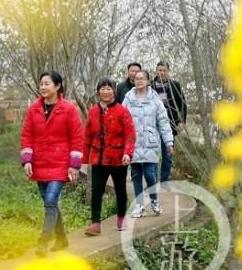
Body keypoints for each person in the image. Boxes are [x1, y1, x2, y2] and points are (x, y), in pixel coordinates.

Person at [20, 71, 83, 256]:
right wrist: (27, 160)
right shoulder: (34, 109)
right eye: (41, 84)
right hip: (39, 163)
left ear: (57, 86)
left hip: (60, 163)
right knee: (51, 204)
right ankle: (62, 239)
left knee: (50, 201)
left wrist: (74, 165)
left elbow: (77, 138)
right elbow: (27, 135)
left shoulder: (69, 109)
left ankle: (43, 242)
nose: (43, 87)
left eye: (47, 83)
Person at [82, 78, 136, 235]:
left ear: (114, 91)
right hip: (98, 158)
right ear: (98, 92)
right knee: (96, 190)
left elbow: (130, 134)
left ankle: (121, 217)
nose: (106, 91)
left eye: (109, 88)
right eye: (103, 88)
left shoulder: (122, 111)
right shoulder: (93, 112)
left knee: (120, 189)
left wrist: (128, 152)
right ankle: (95, 223)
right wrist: (84, 159)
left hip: (118, 158)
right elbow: (87, 136)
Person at [123, 70, 173, 218]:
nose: (139, 81)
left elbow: (163, 122)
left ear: (147, 81)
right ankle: (139, 206)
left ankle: (154, 200)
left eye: (142, 78)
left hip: (151, 142)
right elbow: (121, 120)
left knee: (150, 174)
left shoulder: (155, 99)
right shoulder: (128, 99)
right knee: (136, 174)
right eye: (137, 79)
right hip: (134, 143)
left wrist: (169, 142)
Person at [152, 61, 187, 186]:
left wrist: (181, 121)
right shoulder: (151, 85)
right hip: (153, 125)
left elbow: (182, 104)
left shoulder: (175, 86)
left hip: (170, 124)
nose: (161, 72)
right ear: (156, 71)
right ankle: (152, 181)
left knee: (167, 155)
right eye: (159, 70)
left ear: (168, 71)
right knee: (153, 154)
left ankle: (165, 181)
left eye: (164, 70)